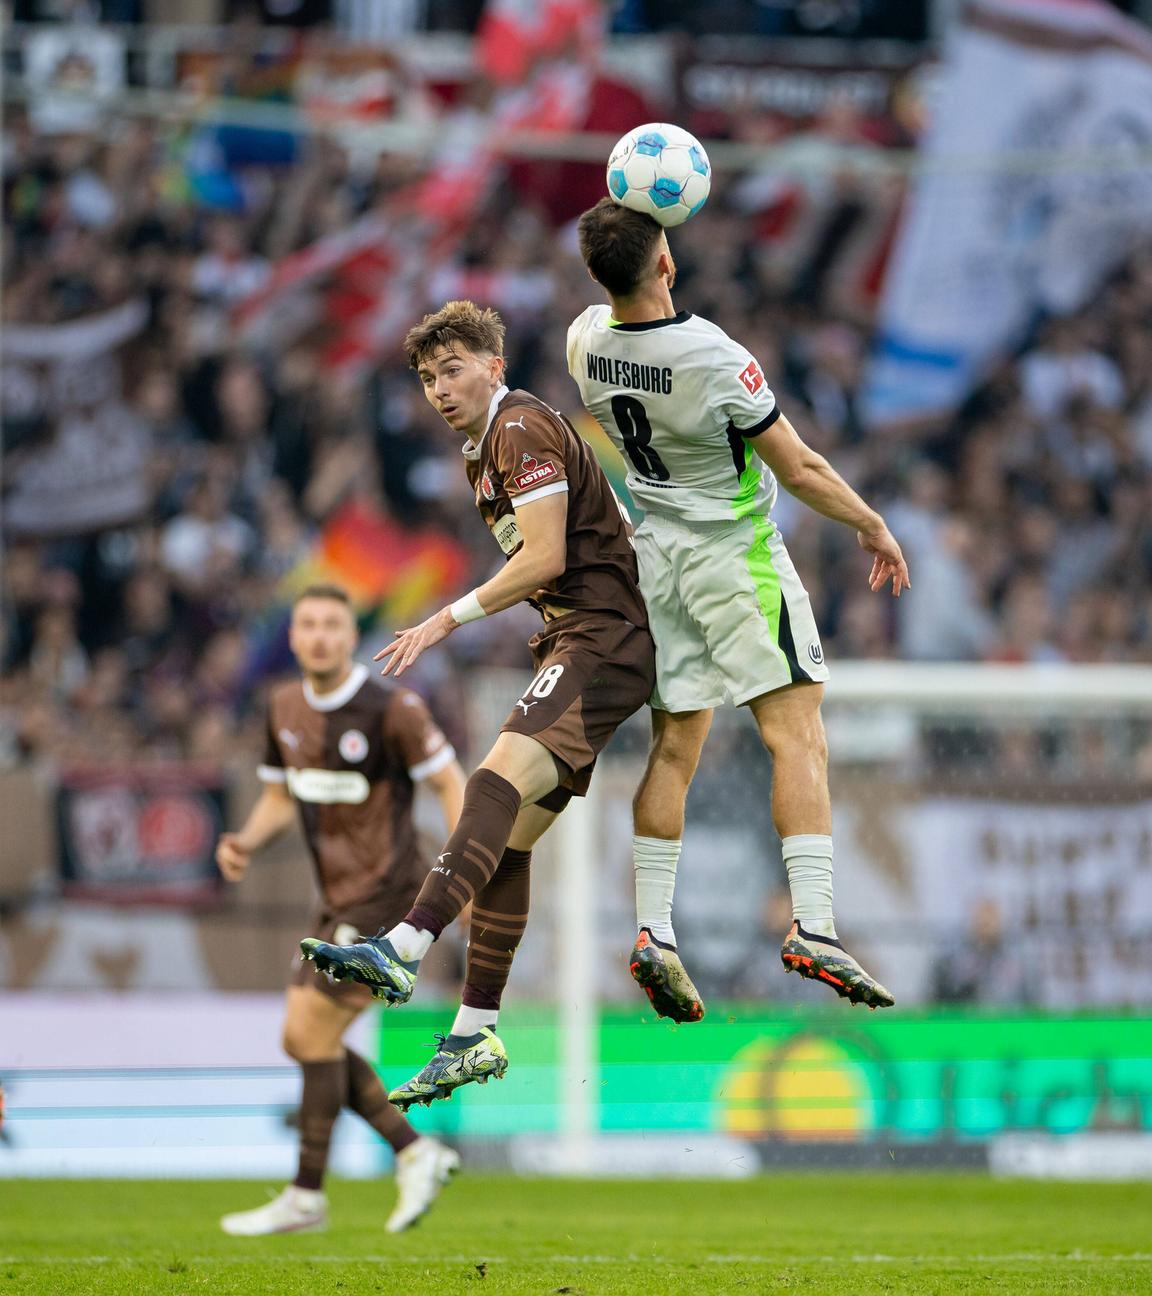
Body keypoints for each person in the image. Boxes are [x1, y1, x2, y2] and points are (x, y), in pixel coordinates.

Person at [301, 300, 655, 1107]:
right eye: (427, 378)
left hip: (601, 641)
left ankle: (404, 943)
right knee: (512, 840)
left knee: (490, 782)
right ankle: (472, 1031)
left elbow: (547, 556)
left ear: (495, 365)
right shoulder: (484, 452)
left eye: (453, 368)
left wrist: (443, 619)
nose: (438, 387)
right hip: (583, 640)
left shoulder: (519, 428)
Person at [567, 197, 909, 1020]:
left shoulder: (584, 340)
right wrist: (870, 522)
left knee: (676, 748)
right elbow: (799, 468)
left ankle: (653, 929)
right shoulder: (715, 355)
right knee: (797, 734)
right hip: (733, 554)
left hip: (657, 557)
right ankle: (816, 926)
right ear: (668, 263)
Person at [216, 583, 467, 1236]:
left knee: (306, 1036)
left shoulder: (393, 707)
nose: (321, 635)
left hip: (390, 901)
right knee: (309, 1039)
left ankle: (321, 1190)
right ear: (293, 638)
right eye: (309, 625)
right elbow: (280, 795)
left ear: (352, 636)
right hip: (335, 903)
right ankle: (409, 1153)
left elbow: (447, 779)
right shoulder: (282, 707)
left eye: (333, 624)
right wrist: (244, 839)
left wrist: (466, 871)